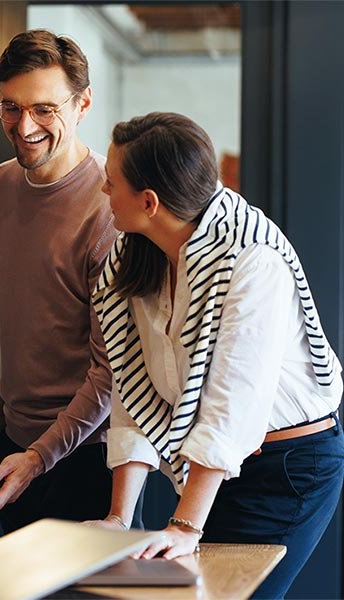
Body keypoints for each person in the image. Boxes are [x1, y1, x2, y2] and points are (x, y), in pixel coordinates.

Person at [90, 111, 343, 598]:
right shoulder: (136, 255)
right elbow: (132, 385)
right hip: (218, 469)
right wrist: (119, 518)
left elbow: (233, 408)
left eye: (111, 182)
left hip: (290, 468)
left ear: (149, 202)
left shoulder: (252, 260)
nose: (103, 191)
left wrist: (185, 525)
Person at [0, 29, 130, 534]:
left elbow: (111, 370)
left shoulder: (110, 207)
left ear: (83, 103)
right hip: (11, 449)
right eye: (10, 108)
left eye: (45, 109)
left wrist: (40, 456)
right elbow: (0, 317)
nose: (25, 127)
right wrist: (1, 431)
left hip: (87, 456)